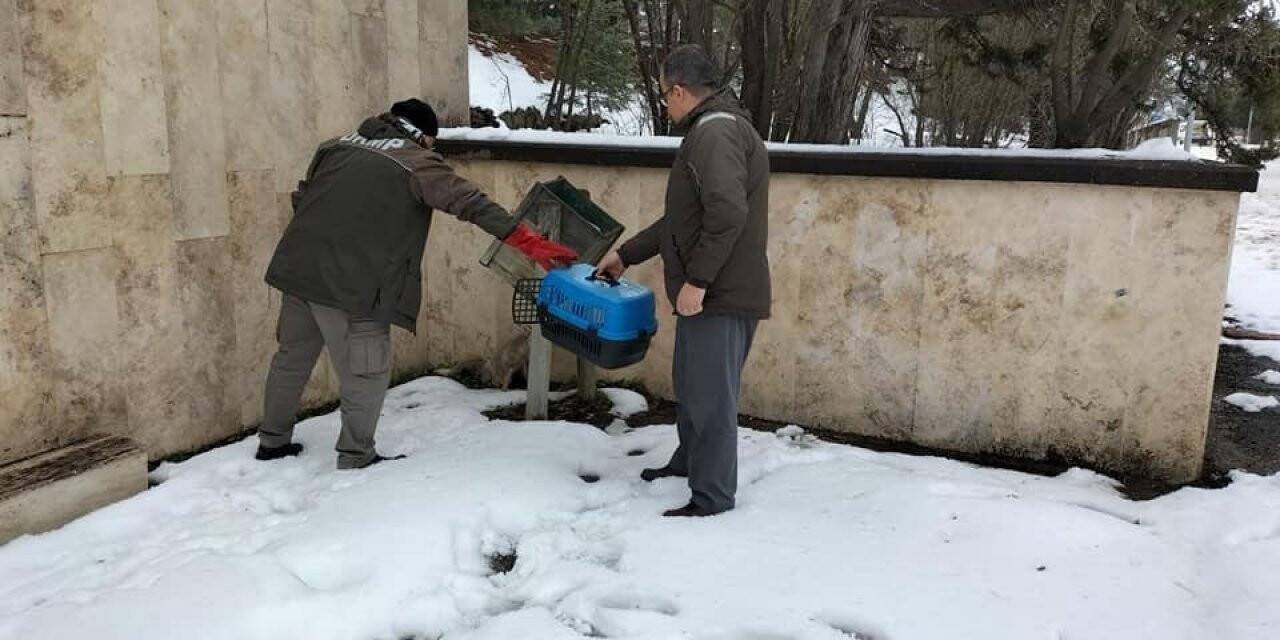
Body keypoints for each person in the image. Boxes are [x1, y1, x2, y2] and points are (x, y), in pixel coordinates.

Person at [258, 99, 577, 470]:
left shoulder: (336, 146)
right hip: (354, 287)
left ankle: (273, 442)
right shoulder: (416, 162)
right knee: (366, 371)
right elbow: (470, 202)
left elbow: (303, 198)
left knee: (291, 359)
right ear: (422, 136)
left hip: (298, 271)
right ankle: (356, 456)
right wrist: (530, 243)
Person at [597, 45, 771, 517]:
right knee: (693, 386)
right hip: (712, 292)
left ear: (679, 90)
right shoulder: (711, 130)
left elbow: (728, 213)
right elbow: (681, 219)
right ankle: (689, 460)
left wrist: (698, 281)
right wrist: (625, 255)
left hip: (720, 293)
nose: (665, 104)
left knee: (712, 398)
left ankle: (712, 496)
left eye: (664, 95)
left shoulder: (715, 133)